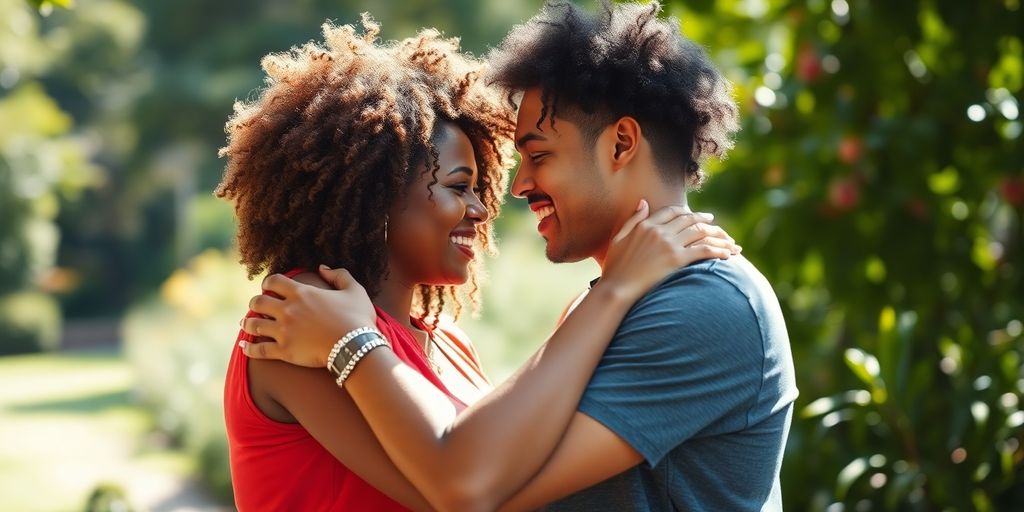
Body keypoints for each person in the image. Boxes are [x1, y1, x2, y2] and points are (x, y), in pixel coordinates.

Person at [242, 2, 796, 511]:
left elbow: (482, 485)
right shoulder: (302, 312)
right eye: (461, 186)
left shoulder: (702, 307)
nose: (511, 190)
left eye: (539, 154)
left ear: (621, 145)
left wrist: (353, 346)